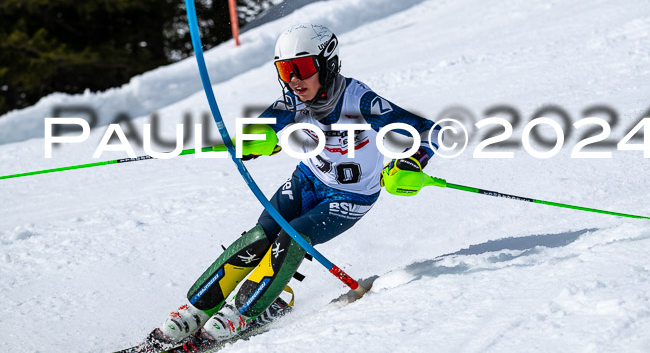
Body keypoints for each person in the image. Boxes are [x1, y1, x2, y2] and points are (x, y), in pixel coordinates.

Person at [146, 23, 440, 350]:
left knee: (293, 236)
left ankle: (242, 312)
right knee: (258, 238)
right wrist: (250, 142)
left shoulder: (361, 101)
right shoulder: (292, 102)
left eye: (300, 69)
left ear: (327, 64)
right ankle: (196, 309)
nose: (293, 80)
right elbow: (258, 135)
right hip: (308, 181)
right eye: (285, 71)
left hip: (351, 196)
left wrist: (410, 163)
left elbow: (431, 131)